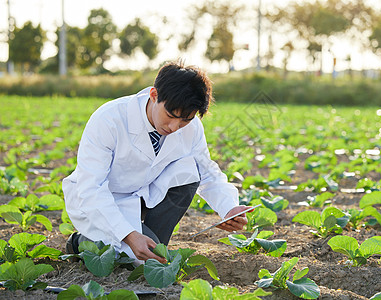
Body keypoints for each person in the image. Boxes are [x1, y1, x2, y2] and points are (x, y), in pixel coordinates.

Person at [62, 61, 252, 264]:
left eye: (184, 120)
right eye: (170, 115)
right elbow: (91, 189)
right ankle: (80, 241)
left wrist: (229, 208)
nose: (174, 126)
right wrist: (129, 235)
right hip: (99, 202)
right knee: (133, 260)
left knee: (189, 171)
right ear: (154, 95)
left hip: (144, 194)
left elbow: (207, 172)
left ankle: (151, 243)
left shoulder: (191, 126)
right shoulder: (108, 120)